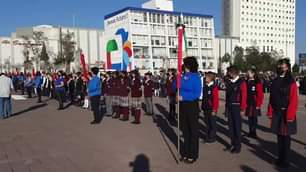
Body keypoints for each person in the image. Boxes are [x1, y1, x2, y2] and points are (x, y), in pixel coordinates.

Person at [267, 59, 299, 168]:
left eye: (284, 66)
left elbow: (294, 100)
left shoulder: (291, 81)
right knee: (279, 138)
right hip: (277, 112)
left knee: (286, 139)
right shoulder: (275, 81)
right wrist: (270, 111)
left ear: (288, 68)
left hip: (286, 113)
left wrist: (290, 116)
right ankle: (280, 158)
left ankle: (286, 161)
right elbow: (272, 98)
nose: (281, 68)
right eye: (280, 66)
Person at [179, 56, 202, 164]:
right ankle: (185, 152)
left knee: (193, 131)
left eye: (185, 64)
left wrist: (184, 97)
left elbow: (196, 94)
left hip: (192, 106)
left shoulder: (195, 77)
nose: (183, 66)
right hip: (183, 106)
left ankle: (193, 154)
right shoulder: (183, 76)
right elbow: (177, 87)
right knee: (185, 130)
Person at [225, 65, 247, 154]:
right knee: (231, 127)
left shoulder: (241, 82)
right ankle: (232, 144)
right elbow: (227, 96)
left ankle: (237, 146)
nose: (227, 74)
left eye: (228, 72)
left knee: (237, 127)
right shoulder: (229, 82)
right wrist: (226, 108)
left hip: (237, 107)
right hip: (230, 106)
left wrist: (242, 108)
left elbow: (244, 96)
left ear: (232, 73)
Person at [245, 67, 264, 139]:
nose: (247, 74)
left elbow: (260, 94)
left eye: (249, 72)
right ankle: (250, 132)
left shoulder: (257, 82)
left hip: (255, 103)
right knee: (249, 118)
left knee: (254, 118)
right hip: (248, 103)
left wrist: (259, 104)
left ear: (253, 74)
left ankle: (254, 132)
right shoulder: (247, 81)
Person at [202, 72, 219, 144]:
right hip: (206, 107)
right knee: (207, 123)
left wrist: (214, 109)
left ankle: (212, 137)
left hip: (211, 108)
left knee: (212, 124)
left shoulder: (214, 87)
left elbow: (216, 100)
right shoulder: (205, 86)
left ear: (210, 78)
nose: (205, 78)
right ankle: (207, 137)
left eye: (206, 77)